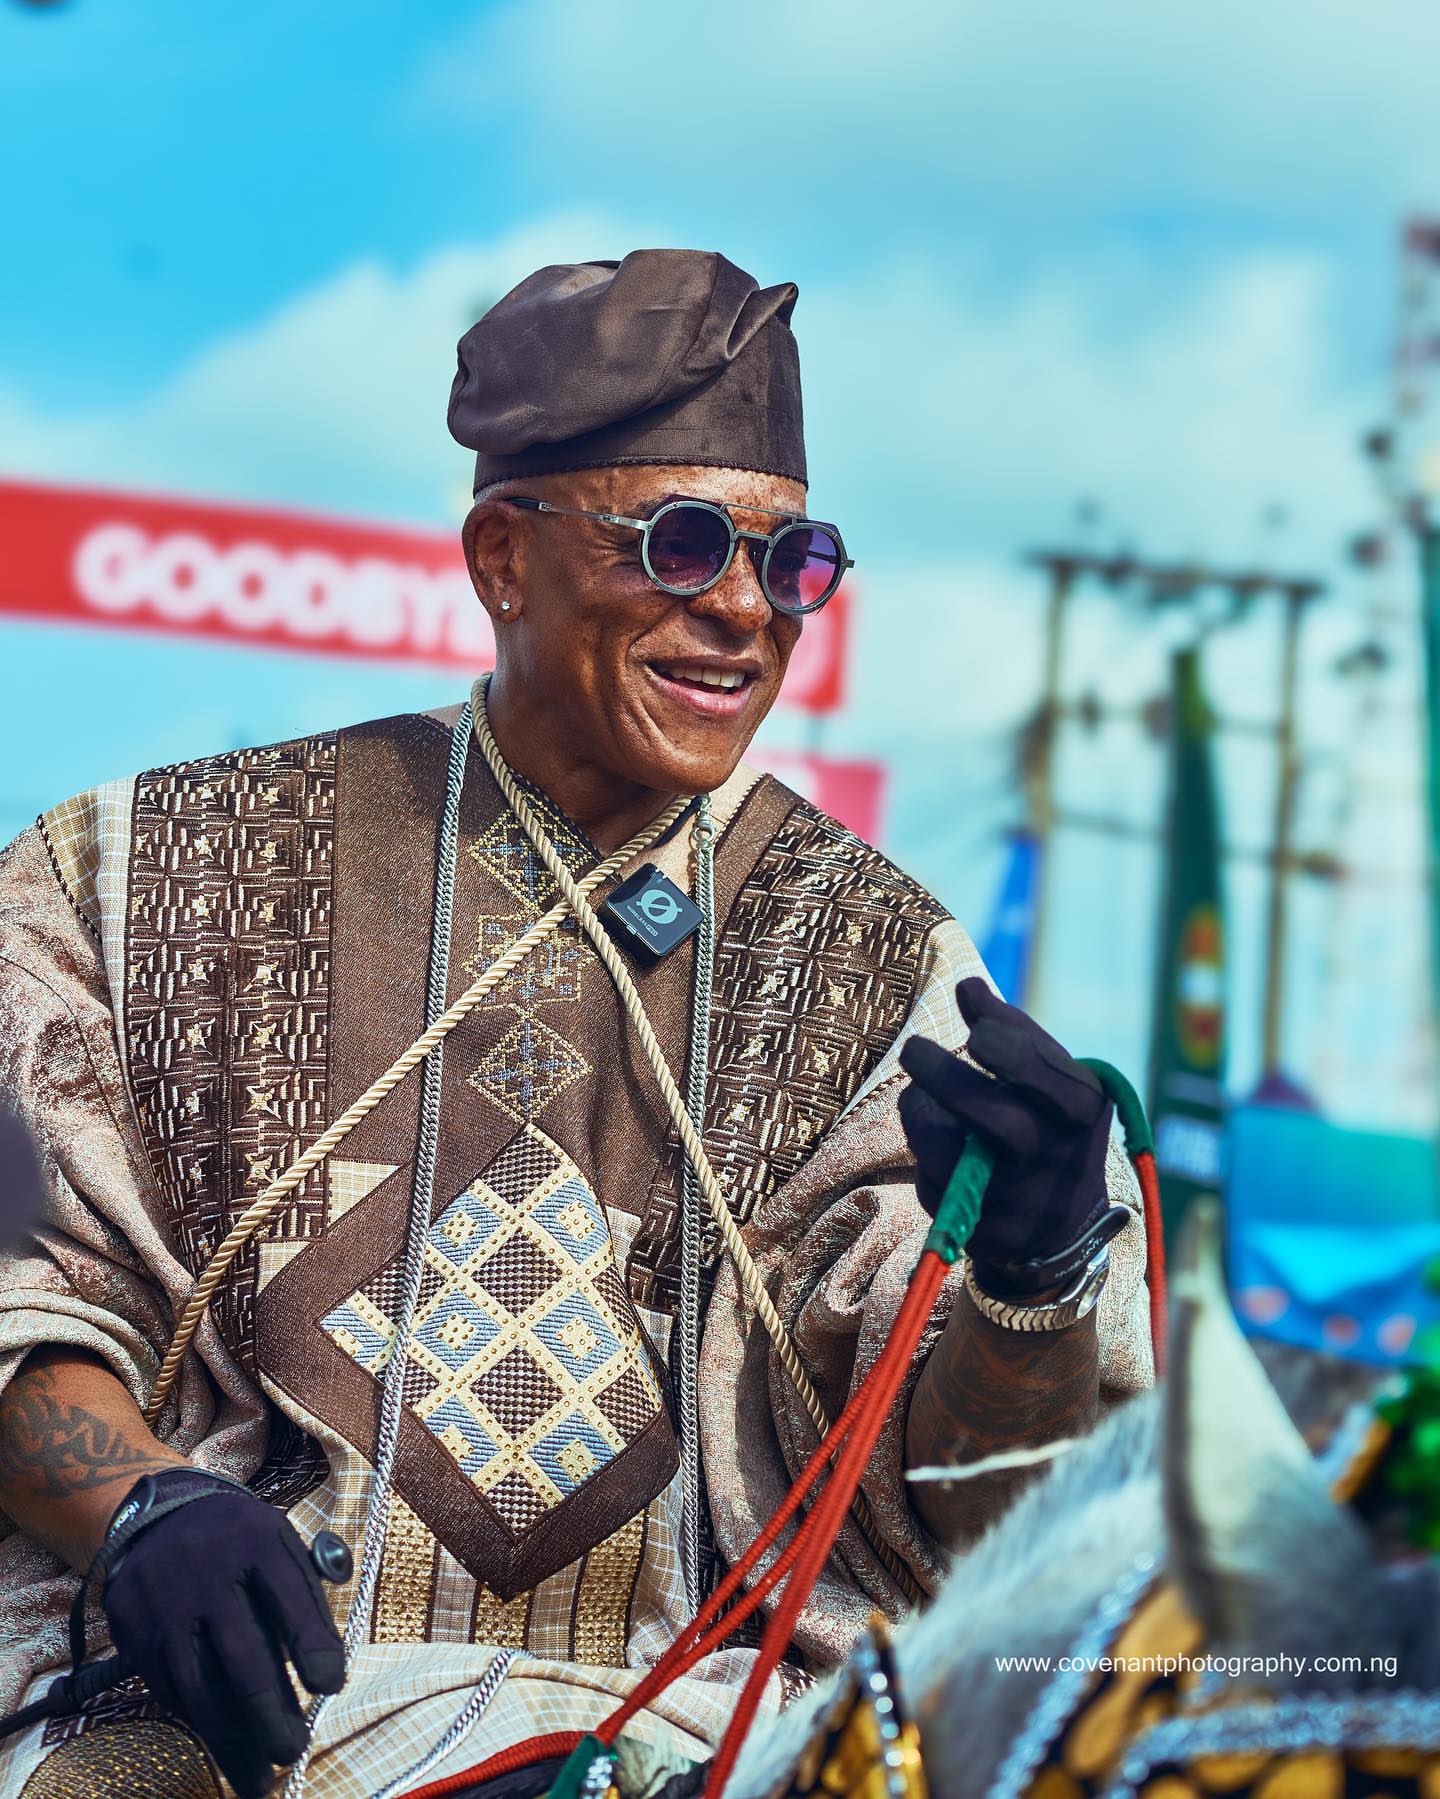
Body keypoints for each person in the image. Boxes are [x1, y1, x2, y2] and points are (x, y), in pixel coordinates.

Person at [0, 250, 1153, 1799]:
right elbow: (25, 1293)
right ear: (503, 557)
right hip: (226, 1713)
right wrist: (142, 1508)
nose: (741, 610)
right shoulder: (149, 873)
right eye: (682, 545)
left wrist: (1036, 1282)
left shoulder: (883, 968)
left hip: (712, 1732)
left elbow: (983, 1524)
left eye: (791, 562)